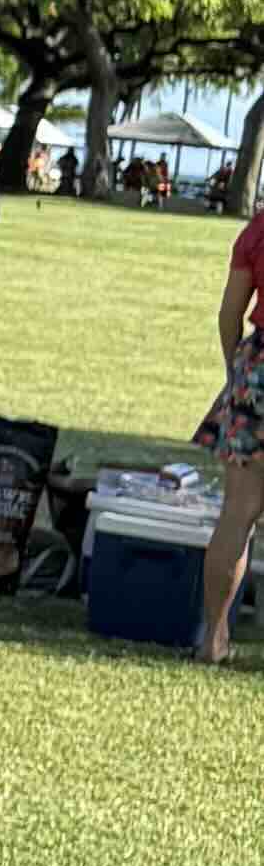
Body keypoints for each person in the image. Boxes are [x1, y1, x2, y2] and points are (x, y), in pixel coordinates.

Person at [195, 209, 264, 664]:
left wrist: (235, 368)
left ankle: (213, 640)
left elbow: (229, 314)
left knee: (237, 514)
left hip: (258, 366)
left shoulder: (259, 229)